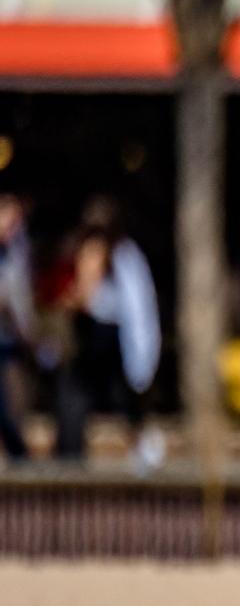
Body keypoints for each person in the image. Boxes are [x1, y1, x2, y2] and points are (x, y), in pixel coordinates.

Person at [52, 197, 162, 467]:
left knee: (119, 408)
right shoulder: (106, 254)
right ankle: (72, 468)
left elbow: (134, 311)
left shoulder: (119, 256)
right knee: (80, 405)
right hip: (101, 342)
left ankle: (141, 468)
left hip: (109, 341)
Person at [0, 195, 36, 462]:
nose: (13, 228)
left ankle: (21, 458)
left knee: (12, 405)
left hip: (10, 340)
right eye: (9, 220)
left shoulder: (15, 253)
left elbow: (20, 299)